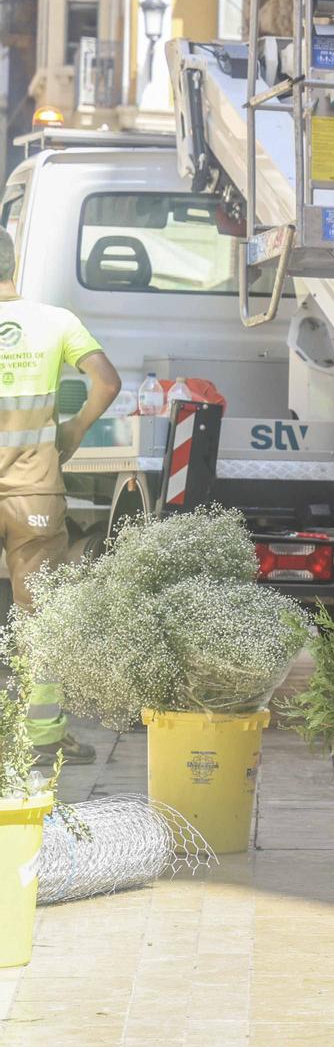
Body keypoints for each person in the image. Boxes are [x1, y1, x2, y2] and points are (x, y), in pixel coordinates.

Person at [0, 227, 120, 765]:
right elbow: (107, 383)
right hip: (36, 492)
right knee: (40, 617)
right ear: (14, 262)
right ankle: (43, 740)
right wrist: (73, 430)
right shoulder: (55, 322)